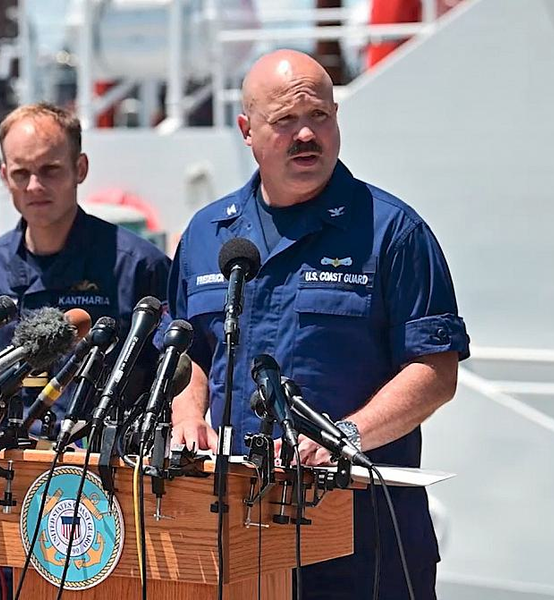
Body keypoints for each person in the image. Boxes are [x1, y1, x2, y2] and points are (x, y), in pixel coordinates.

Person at [168, 50, 469, 599]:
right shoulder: (207, 235)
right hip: (231, 532)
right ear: (247, 130)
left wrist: (345, 437)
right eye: (285, 121)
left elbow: (434, 370)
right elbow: (188, 352)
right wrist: (187, 409)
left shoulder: (393, 233)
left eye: (320, 117)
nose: (306, 134)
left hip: (361, 536)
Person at [0, 102, 171, 599]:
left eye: (50, 170)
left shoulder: (137, 265)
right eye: (21, 173)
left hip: (104, 497)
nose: (35, 186)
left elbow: (171, 375)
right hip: (12, 489)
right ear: (4, 177)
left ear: (80, 169)